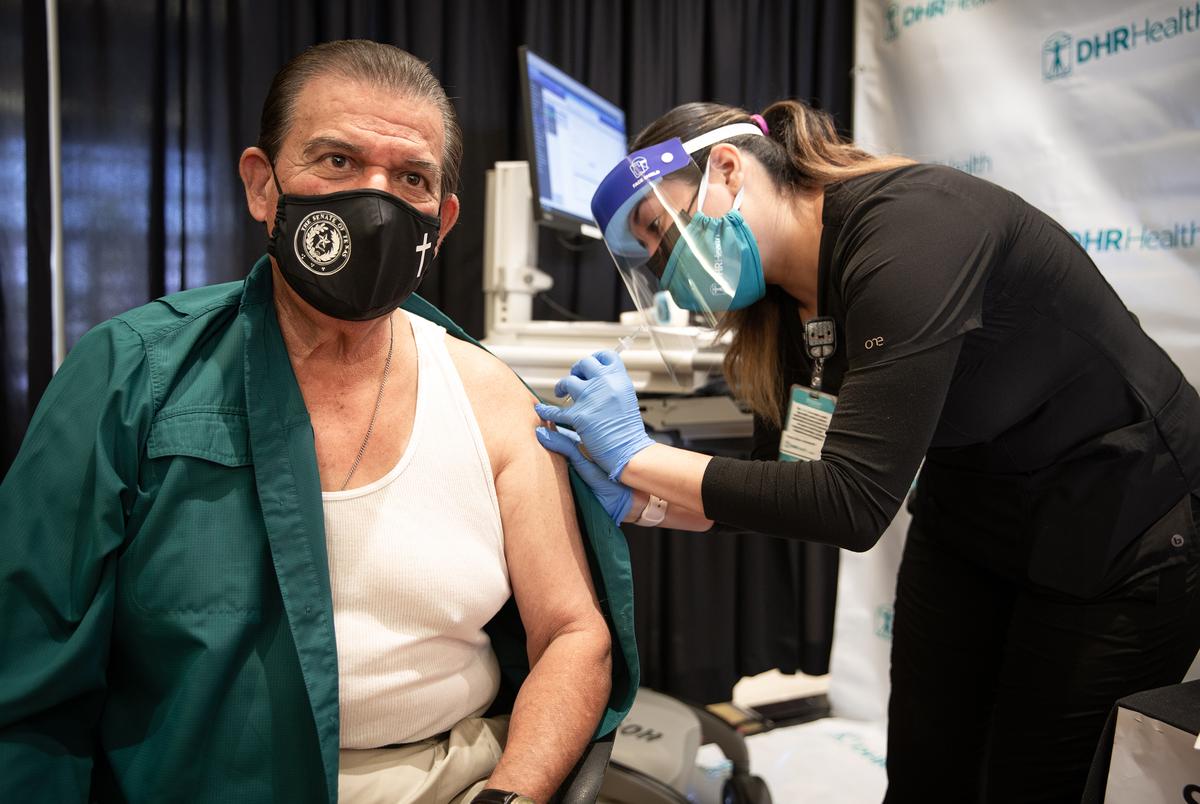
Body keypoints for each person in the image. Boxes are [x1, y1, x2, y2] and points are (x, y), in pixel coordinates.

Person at [0, 40, 633, 804]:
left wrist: (511, 794)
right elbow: (28, 688)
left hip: (450, 778)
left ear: (444, 220)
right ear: (261, 185)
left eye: (411, 178)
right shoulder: (131, 378)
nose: (376, 201)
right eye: (336, 161)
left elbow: (574, 634)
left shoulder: (487, 395)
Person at [535, 99, 1200, 801]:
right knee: (924, 770)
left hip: (1123, 519)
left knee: (1033, 783)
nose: (666, 270)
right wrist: (644, 504)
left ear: (726, 170)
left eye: (658, 233)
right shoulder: (782, 306)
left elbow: (851, 503)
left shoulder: (910, 230)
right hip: (976, 510)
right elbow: (781, 480)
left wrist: (638, 457)